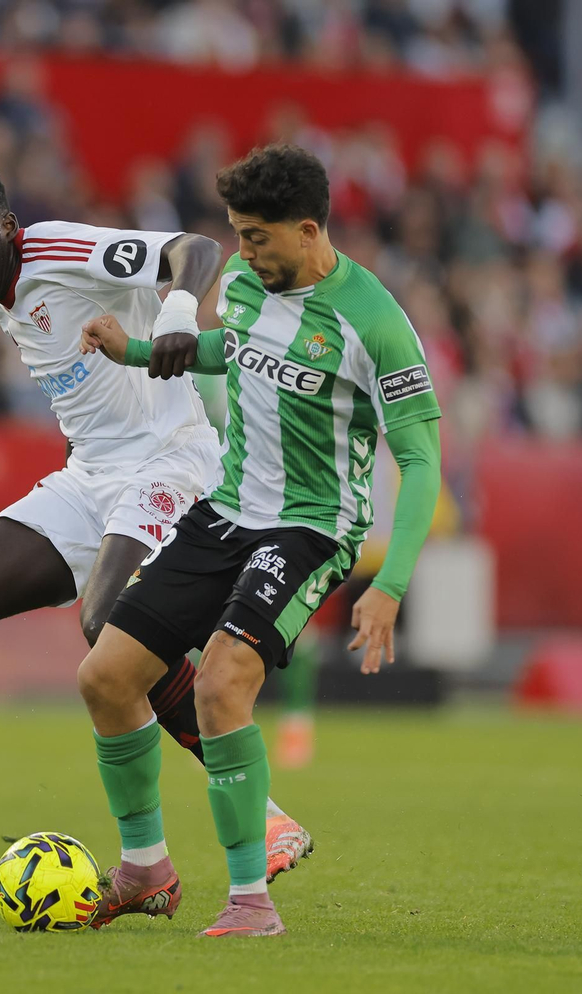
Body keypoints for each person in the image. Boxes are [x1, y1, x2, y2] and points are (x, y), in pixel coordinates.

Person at [0, 131, 313, 909]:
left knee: (106, 621)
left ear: (5, 229)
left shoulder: (56, 248)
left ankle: (265, 817)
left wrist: (178, 311)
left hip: (169, 461)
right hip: (91, 475)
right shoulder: (0, 284)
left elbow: (195, 248)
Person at [77, 144, 442, 937]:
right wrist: (136, 352)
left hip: (310, 527)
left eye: (258, 237)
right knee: (105, 675)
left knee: (219, 685)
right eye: (237, 233)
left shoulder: (375, 323)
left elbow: (420, 461)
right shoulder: (244, 285)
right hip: (228, 510)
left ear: (309, 231)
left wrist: (391, 584)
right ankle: (145, 868)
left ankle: (252, 903)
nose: (241, 253)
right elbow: (230, 350)